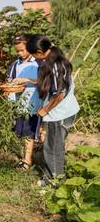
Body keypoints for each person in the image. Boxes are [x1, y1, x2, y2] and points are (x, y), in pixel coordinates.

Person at [26, 35, 80, 186]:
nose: (35, 59)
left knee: (53, 149)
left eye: (35, 55)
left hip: (59, 114)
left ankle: (55, 183)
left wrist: (44, 109)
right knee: (53, 147)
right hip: (63, 112)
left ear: (39, 51)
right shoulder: (55, 58)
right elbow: (51, 84)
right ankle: (53, 177)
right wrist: (29, 81)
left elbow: (60, 94)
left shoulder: (56, 64)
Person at [6, 35, 42, 170]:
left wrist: (27, 80)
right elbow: (10, 80)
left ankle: (27, 160)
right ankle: (22, 157)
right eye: (18, 51)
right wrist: (12, 85)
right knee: (19, 131)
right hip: (19, 103)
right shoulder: (16, 64)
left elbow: (45, 82)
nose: (20, 53)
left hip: (34, 103)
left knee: (29, 132)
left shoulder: (38, 62)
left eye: (22, 50)